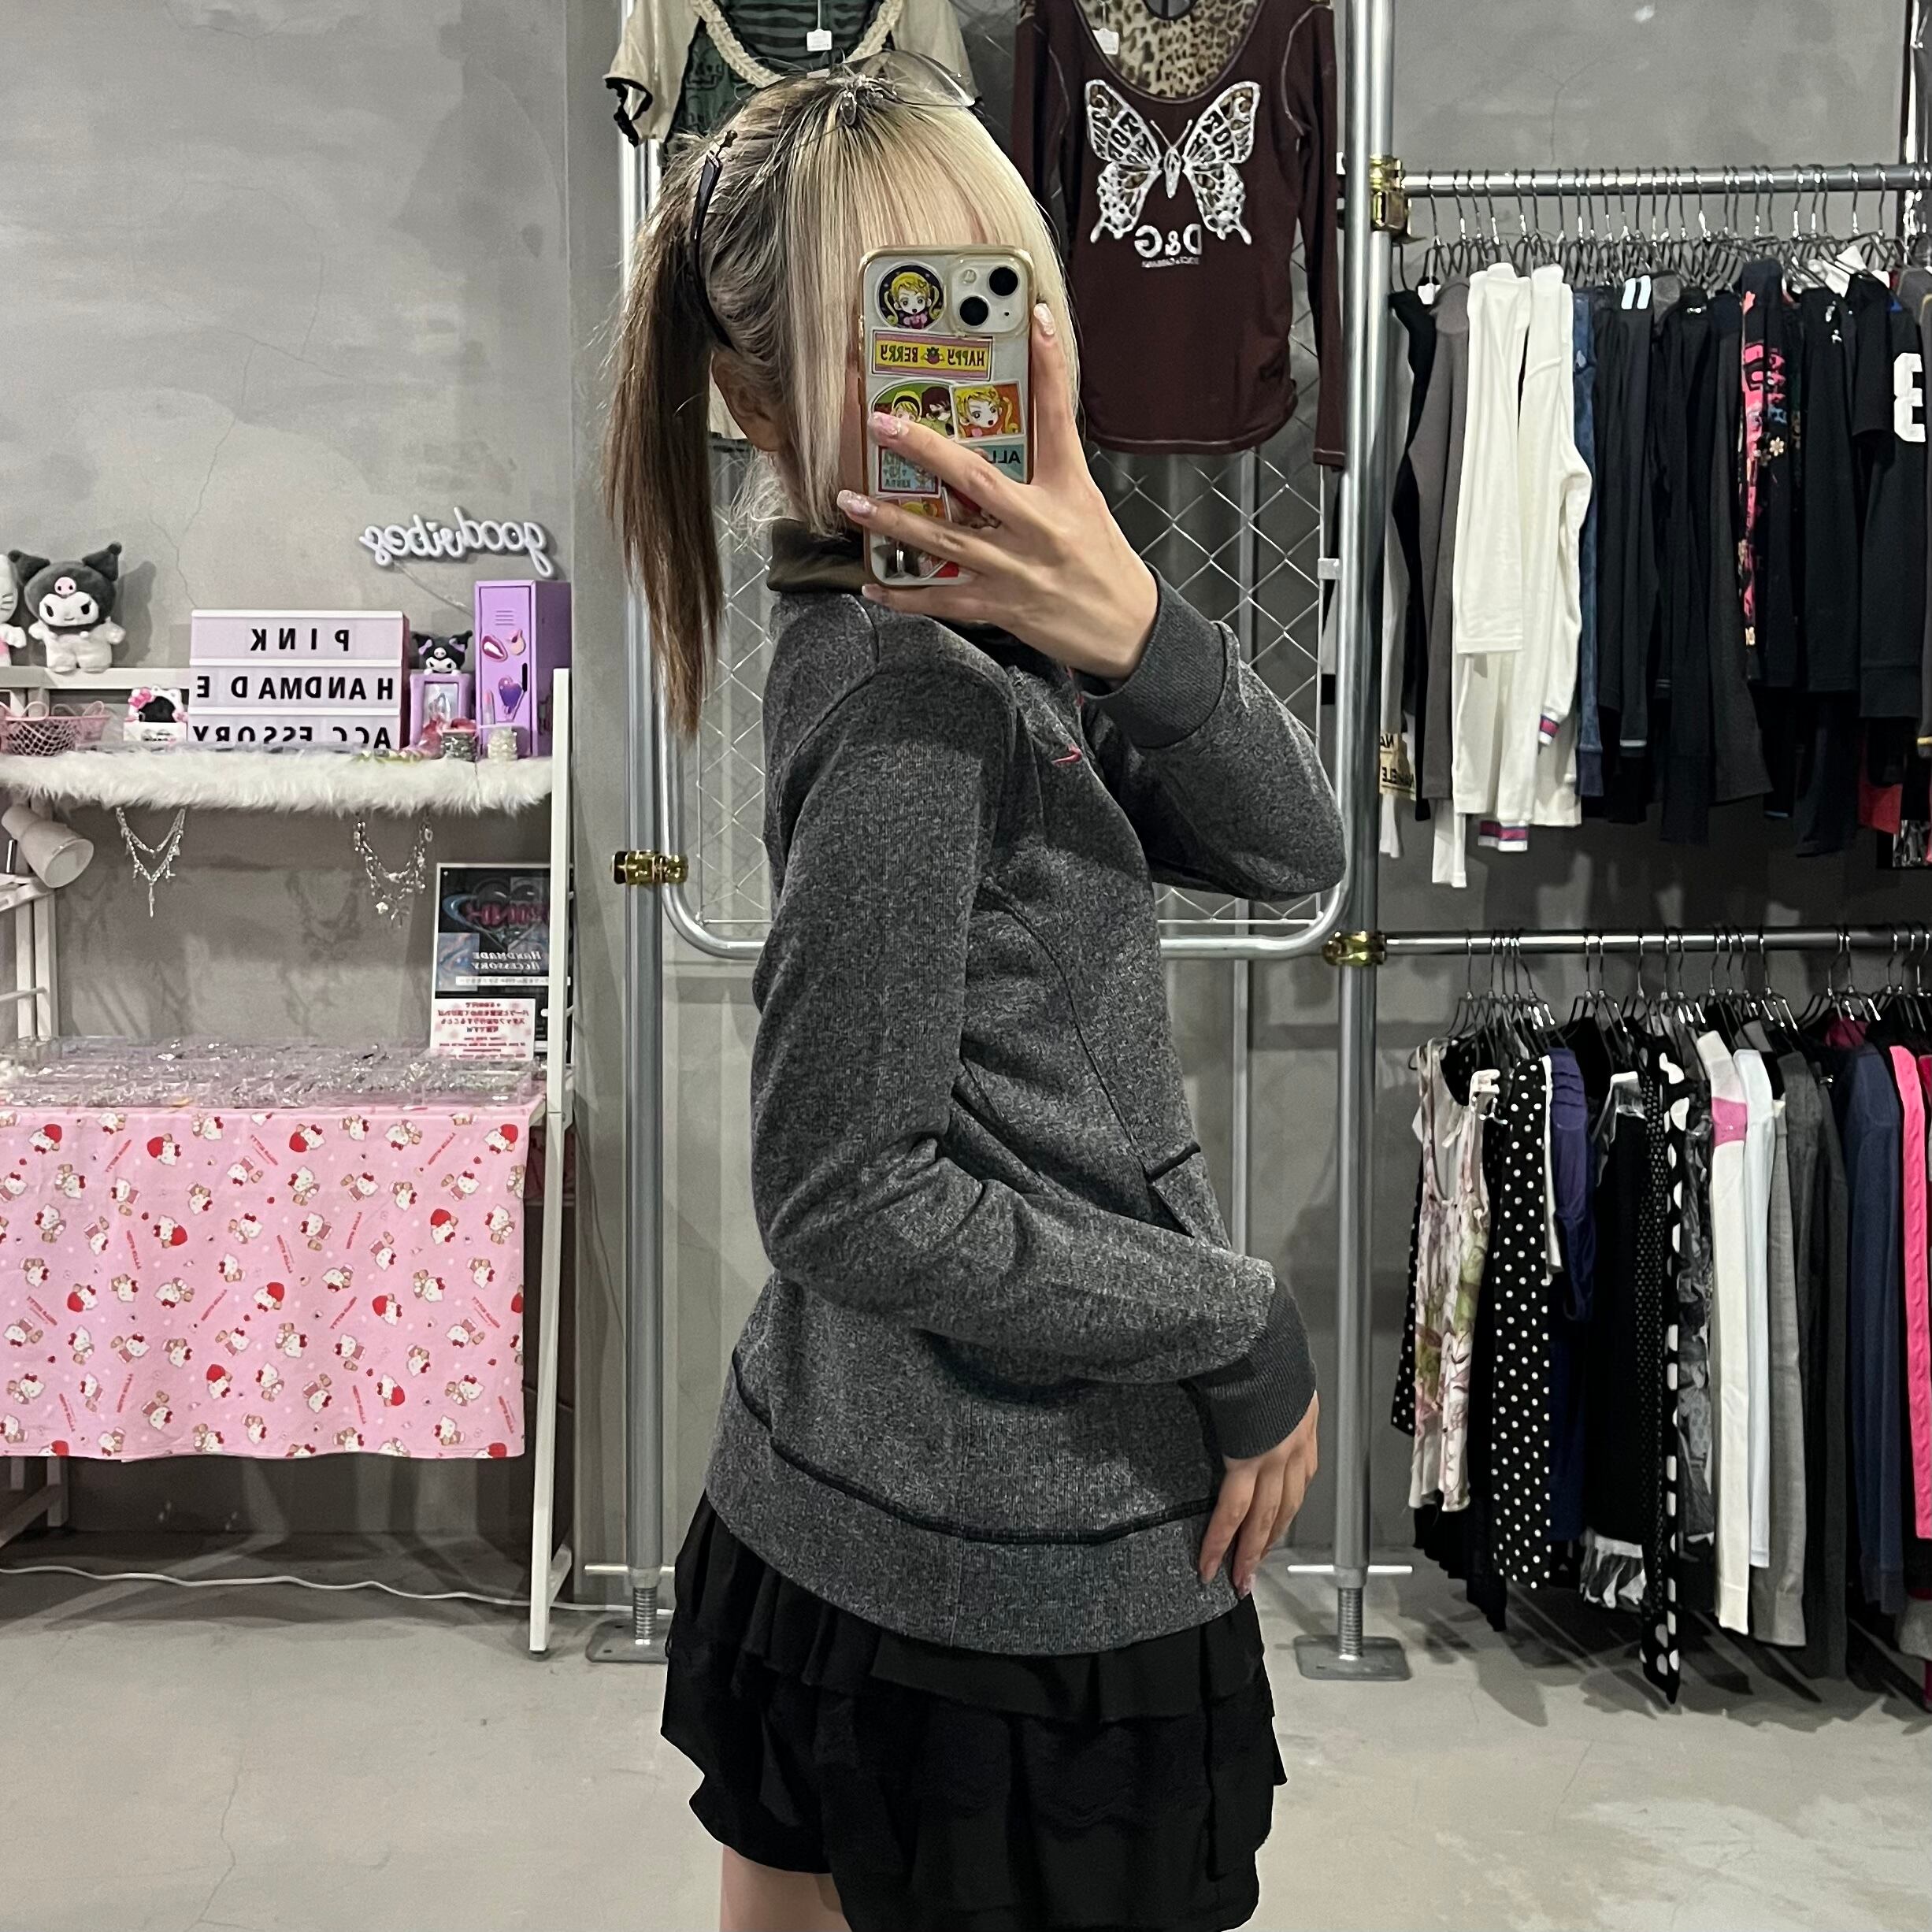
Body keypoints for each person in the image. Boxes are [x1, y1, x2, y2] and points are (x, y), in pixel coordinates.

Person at [604, 56, 1344, 1932]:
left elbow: (1293, 853)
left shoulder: (994, 638)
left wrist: (1136, 627)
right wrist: (1231, 1313)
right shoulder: (909, 693)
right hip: (999, 1567)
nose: (977, 369)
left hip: (898, 1504)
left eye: (995, 292)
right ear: (762, 401)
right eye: (906, 323)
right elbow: (846, 1190)